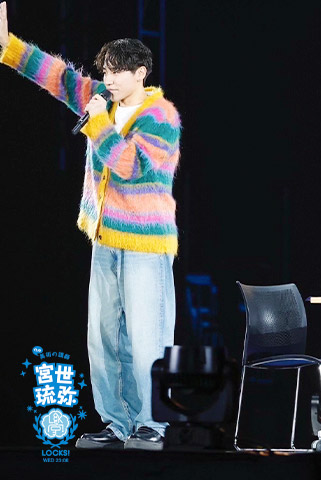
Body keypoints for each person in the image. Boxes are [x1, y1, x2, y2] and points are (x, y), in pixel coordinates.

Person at [0, 2, 181, 450]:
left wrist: (98, 121)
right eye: (107, 71)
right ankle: (116, 424)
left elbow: (126, 165)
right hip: (104, 237)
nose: (110, 79)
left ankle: (151, 425)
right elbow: (59, 77)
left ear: (141, 73)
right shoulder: (103, 100)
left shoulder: (161, 118)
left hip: (145, 244)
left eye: (118, 71)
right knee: (102, 338)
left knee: (147, 338)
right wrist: (8, 47)